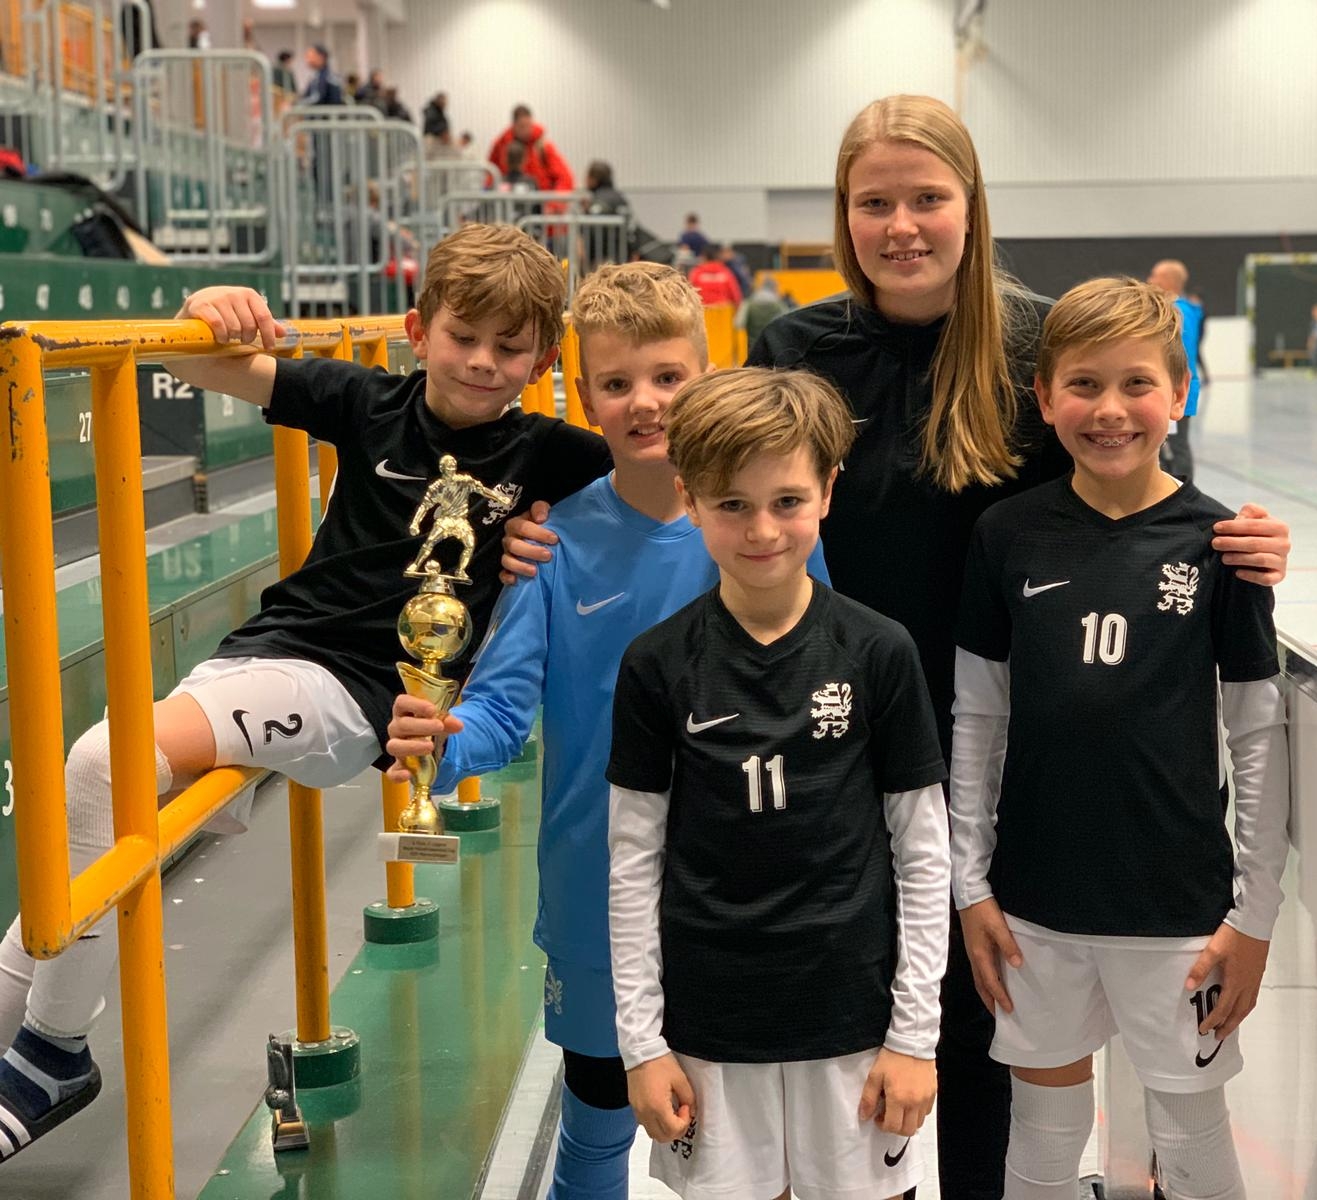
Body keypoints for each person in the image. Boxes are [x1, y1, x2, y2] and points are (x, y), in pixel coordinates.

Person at [741, 95, 1293, 1200]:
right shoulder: (794, 350)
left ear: (972, 205)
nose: (902, 226)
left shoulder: (1036, 344)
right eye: (874, 202)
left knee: (979, 1022)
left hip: (999, 754)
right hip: (840, 745)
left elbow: (1133, 497)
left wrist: (1244, 542)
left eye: (927, 199)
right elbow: (722, 496)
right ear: (843, 214)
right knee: (844, 1025)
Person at [0, 224, 610, 1163]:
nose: (484, 363)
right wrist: (204, 310)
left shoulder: (553, 454)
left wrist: (554, 534)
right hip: (268, 651)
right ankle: (39, 1037)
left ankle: (55, 1053)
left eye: (510, 346)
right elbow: (198, 367)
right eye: (463, 337)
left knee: (99, 764)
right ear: (418, 331)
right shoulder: (366, 400)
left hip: (356, 695)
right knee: (86, 847)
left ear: (543, 360)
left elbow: (663, 478)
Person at [387, 264, 827, 1199]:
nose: (646, 402)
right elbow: (502, 709)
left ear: (708, 375)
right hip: (597, 888)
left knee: (754, 1135)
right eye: (618, 382)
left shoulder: (771, 534)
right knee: (597, 1120)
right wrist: (444, 741)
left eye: (668, 376)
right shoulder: (552, 544)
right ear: (584, 397)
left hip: (747, 889)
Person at [951, 277, 1289, 1199]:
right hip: (1034, 905)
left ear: (1180, 394)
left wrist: (1255, 916)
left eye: (1137, 384)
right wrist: (971, 887)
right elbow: (978, 720)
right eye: (1084, 384)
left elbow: (1256, 735)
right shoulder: (1006, 535)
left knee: (1192, 1137)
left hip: (1179, 906)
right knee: (1043, 1144)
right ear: (1043, 397)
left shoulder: (1221, 543)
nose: (1110, 410)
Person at [607, 367, 950, 1200]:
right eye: (732, 504)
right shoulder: (656, 664)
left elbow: (922, 852)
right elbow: (633, 864)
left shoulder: (879, 651)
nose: (762, 529)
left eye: (787, 501)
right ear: (690, 500)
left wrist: (914, 1036)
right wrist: (643, 1045)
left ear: (828, 491)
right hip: (711, 1025)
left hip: (854, 1018)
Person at [1148, 259, 1201, 482]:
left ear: (1168, 280)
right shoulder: (1180, 308)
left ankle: (1183, 488)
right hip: (1173, 387)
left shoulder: (1177, 311)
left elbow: (1180, 353)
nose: (1150, 280)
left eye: (1155, 276)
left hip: (1177, 389)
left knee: (1177, 447)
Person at [489, 105, 575, 204]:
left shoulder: (543, 147)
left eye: (529, 126)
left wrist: (554, 203)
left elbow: (564, 177)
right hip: (509, 202)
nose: (526, 130)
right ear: (514, 125)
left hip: (541, 203)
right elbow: (491, 174)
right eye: (522, 126)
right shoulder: (501, 146)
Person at [735, 276, 794, 346]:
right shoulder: (778, 304)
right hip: (772, 346)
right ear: (774, 288)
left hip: (754, 346)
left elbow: (738, 323)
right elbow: (787, 321)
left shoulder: (749, 303)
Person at [687, 244, 743, 308]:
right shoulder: (725, 272)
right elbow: (736, 296)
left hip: (703, 311)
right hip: (724, 312)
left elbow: (689, 295)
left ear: (704, 257)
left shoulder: (697, 273)